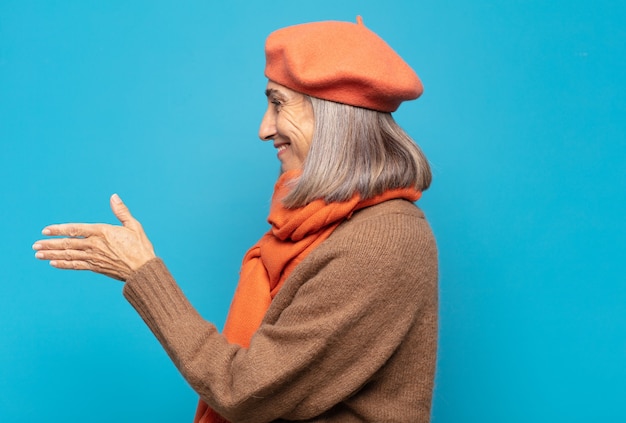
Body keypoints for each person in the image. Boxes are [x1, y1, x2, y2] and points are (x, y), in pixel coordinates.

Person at [33, 16, 438, 423]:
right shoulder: (314, 230)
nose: (264, 129)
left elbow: (244, 392)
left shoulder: (380, 242)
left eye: (278, 103)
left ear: (333, 118)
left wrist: (143, 273)